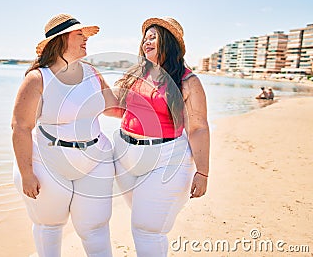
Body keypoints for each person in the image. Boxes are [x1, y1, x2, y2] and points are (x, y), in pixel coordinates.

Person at [11, 13, 117, 257]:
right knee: (49, 226)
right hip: (48, 163)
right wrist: (27, 174)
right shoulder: (38, 78)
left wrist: (154, 99)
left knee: (96, 227)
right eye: (79, 34)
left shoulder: (92, 73)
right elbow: (20, 127)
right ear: (60, 40)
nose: (85, 39)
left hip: (95, 160)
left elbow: (113, 107)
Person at [111, 17, 210, 256]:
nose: (147, 41)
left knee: (147, 230)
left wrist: (203, 171)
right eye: (145, 38)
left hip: (165, 159)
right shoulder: (136, 74)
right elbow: (118, 109)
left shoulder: (187, 81)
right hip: (125, 158)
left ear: (169, 41)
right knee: (144, 221)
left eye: (153, 36)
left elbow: (198, 128)